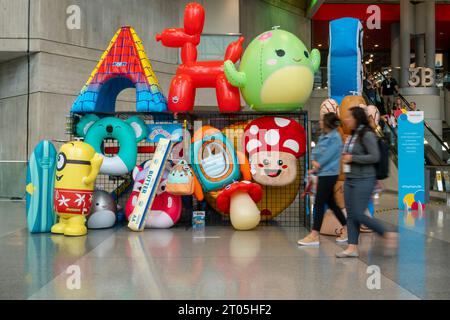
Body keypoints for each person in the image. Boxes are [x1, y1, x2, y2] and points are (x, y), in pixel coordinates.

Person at [337, 106, 396, 258]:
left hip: (364, 179)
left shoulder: (367, 134)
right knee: (351, 215)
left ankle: (386, 233)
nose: (346, 119)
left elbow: (374, 156)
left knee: (358, 213)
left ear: (356, 118)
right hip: (351, 179)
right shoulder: (353, 134)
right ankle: (352, 247)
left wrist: (353, 158)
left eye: (349, 117)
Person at [298, 113, 347, 246]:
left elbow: (327, 156)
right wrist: (315, 161)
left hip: (329, 174)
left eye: (322, 121)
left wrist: (316, 167)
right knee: (332, 203)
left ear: (328, 123)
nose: (320, 122)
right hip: (323, 173)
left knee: (319, 203)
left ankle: (314, 235)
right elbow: (316, 152)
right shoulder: (323, 136)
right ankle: (347, 228)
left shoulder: (335, 138)